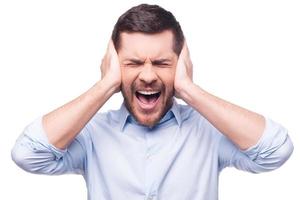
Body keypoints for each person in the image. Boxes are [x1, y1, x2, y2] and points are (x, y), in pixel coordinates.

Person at [11, 4, 293, 200]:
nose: (147, 75)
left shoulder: (208, 130)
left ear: (181, 65)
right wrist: (105, 85)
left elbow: (275, 150)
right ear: (114, 65)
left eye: (161, 63)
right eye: (132, 63)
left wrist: (189, 90)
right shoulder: (90, 134)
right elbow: (27, 155)